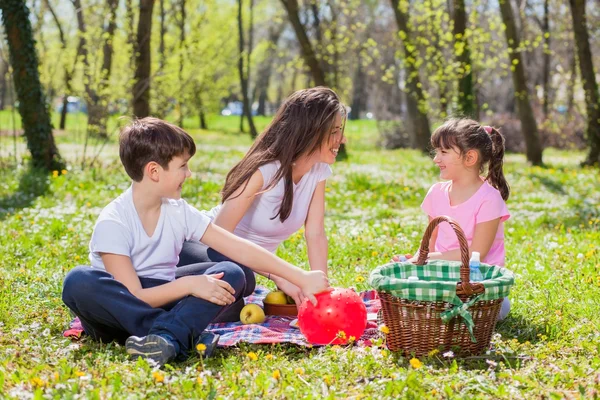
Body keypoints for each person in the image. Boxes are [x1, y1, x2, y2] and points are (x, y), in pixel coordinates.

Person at [61, 117, 329, 367]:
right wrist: (190, 284)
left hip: (165, 295)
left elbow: (236, 247)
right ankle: (175, 334)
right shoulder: (114, 221)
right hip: (117, 310)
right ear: (154, 171)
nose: (189, 174)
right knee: (78, 281)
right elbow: (136, 296)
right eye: (183, 166)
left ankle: (166, 339)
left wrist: (298, 275)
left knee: (232, 272)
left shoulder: (178, 211)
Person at [179, 87, 347, 315]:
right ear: (311, 130)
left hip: (240, 266)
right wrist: (280, 275)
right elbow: (217, 237)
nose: (342, 139)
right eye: (335, 131)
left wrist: (321, 291)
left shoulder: (318, 172)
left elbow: (315, 234)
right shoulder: (264, 171)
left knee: (236, 292)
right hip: (197, 249)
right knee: (241, 281)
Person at [394, 118, 511, 319]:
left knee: (470, 312)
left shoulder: (489, 198)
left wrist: (426, 259)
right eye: (436, 151)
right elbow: (429, 246)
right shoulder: (436, 193)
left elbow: (477, 255)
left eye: (444, 152)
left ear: (470, 157)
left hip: (479, 286)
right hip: (443, 277)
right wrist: (413, 260)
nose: (436, 159)